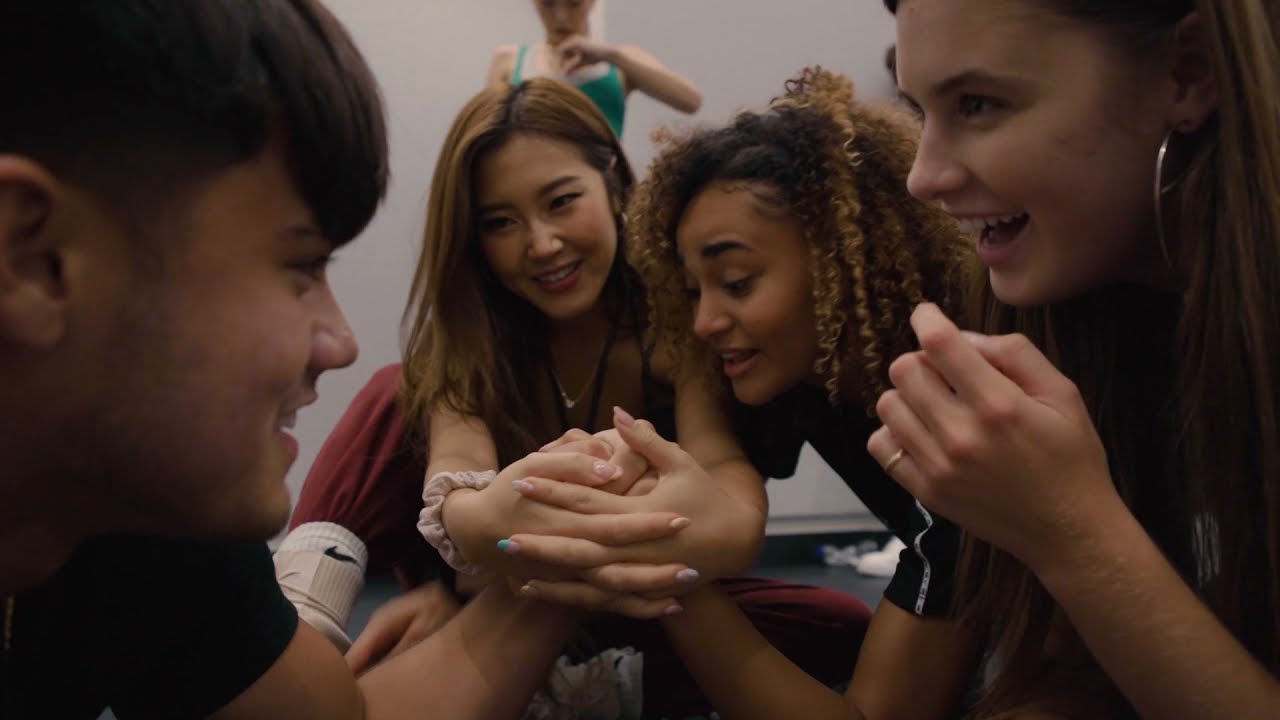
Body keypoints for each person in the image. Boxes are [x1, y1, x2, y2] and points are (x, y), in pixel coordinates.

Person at [0, 2, 685, 718]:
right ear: (36, 260)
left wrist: (556, 555)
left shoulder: (150, 510)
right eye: (299, 266)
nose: (341, 341)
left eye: (561, 201)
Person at [277, 77, 872, 719]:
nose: (542, 244)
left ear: (612, 179)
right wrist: (488, 524)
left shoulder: (678, 327)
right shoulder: (469, 343)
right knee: (393, 388)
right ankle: (299, 623)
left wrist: (628, 522)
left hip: (620, 590)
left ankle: (569, 685)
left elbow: (727, 493)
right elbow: (457, 485)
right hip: (502, 584)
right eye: (501, 223)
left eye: (561, 202)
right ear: (473, 239)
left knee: (834, 623)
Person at [500, 67, 984, 719]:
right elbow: (715, 488)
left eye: (736, 283)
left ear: (840, 263)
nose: (704, 322)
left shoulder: (959, 420)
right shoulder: (797, 385)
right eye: (692, 291)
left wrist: (668, 573)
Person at [868, 1, 1280, 717]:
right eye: (919, 110)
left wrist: (1072, 534)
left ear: (1189, 73)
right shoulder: (1071, 321)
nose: (923, 176)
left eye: (978, 104)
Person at [485, 0, 702, 136]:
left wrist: (612, 55)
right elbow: (485, 133)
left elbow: (690, 100)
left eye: (574, 3)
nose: (561, 17)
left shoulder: (620, 61)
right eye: (548, 4)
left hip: (606, 188)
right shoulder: (509, 59)